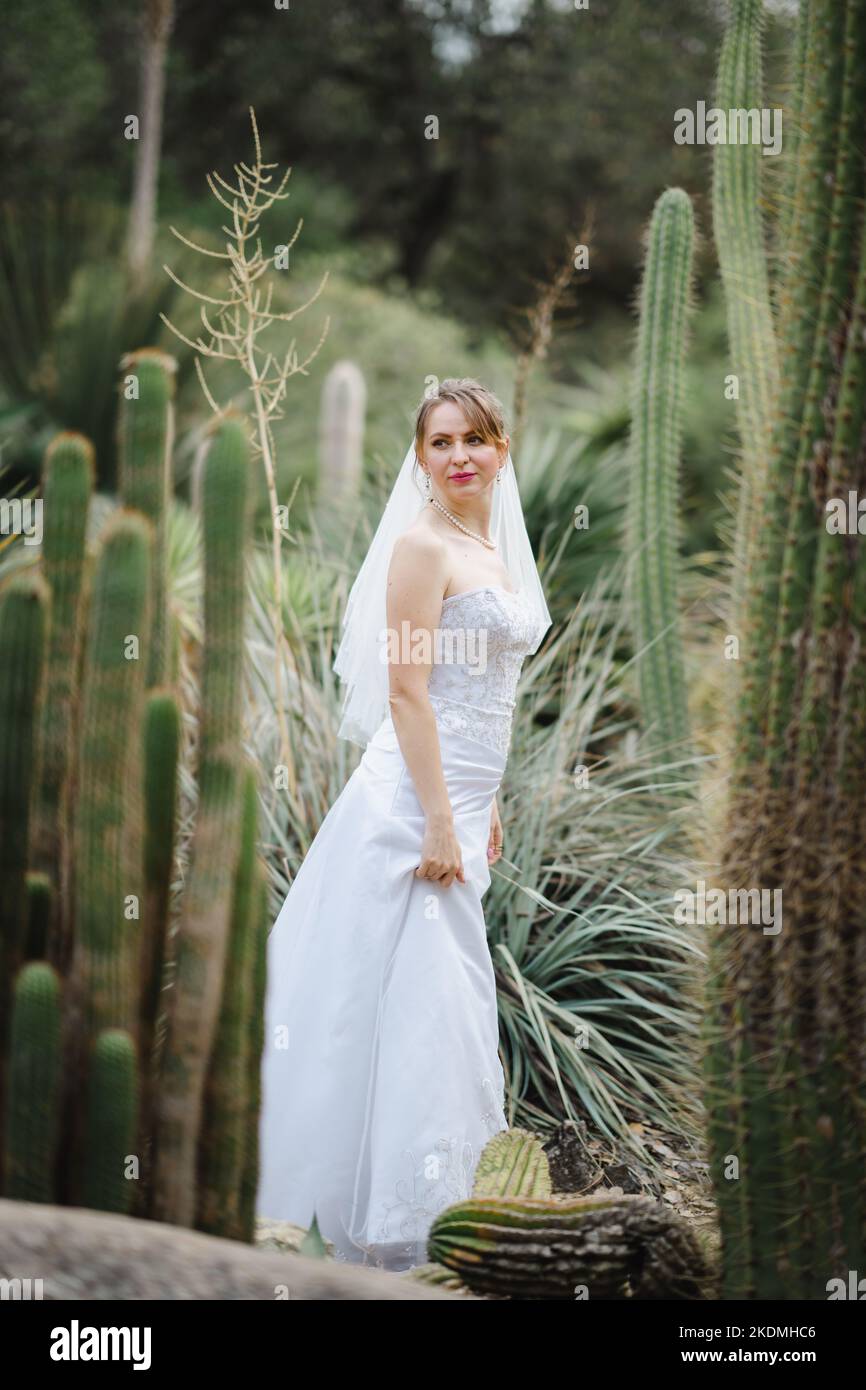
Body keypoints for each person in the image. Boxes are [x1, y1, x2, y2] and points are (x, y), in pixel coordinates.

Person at [256, 378, 551, 1270]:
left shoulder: (489, 544)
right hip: (409, 803)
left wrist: (483, 800)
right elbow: (407, 691)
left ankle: (431, 1204)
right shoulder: (423, 548)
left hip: (460, 794)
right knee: (408, 992)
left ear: (501, 449)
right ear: (420, 457)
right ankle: (385, 1217)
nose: (460, 456)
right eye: (441, 443)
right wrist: (435, 820)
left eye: (476, 439)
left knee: (433, 996)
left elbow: (484, 693)